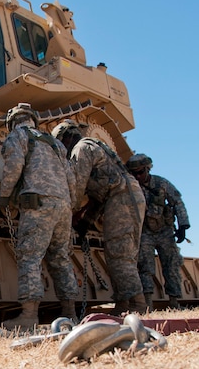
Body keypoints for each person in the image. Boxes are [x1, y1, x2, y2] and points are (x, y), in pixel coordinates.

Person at [51, 121, 146, 316]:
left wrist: (68, 213)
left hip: (120, 197)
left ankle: (137, 304)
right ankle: (123, 303)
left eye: (61, 144)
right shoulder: (93, 145)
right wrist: (86, 220)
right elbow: (97, 196)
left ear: (67, 137)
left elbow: (77, 187)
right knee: (118, 252)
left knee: (119, 252)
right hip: (124, 195)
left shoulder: (81, 148)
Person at [0, 103, 79, 331]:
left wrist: (5, 195)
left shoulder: (19, 135)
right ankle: (70, 313)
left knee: (30, 256)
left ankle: (29, 315)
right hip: (63, 206)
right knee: (61, 258)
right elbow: (71, 177)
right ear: (33, 119)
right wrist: (70, 204)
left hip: (38, 203)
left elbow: (14, 166)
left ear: (13, 122)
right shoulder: (54, 143)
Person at [125, 153, 190, 310]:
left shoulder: (161, 184)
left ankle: (174, 302)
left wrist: (183, 226)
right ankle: (148, 303)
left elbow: (177, 202)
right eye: (134, 173)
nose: (138, 176)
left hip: (164, 231)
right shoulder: (131, 187)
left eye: (141, 172)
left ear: (148, 169)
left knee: (171, 265)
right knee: (145, 267)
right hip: (145, 232)